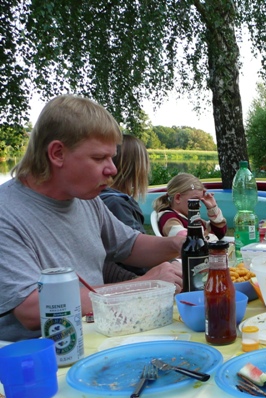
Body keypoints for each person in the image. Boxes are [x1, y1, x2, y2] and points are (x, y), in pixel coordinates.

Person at [0, 95, 184, 343]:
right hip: (43, 358)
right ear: (57, 153)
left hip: (100, 336)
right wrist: (143, 286)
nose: (113, 169)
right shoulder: (6, 212)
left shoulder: (86, 199)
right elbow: (31, 308)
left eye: (112, 157)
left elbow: (129, 245)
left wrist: (176, 244)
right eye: (99, 158)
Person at [100, 134, 150, 281]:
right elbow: (138, 259)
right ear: (137, 168)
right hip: (128, 284)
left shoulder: (99, 198)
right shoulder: (117, 204)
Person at [152, 173, 227, 239]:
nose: (200, 205)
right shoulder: (168, 218)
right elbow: (186, 238)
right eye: (194, 200)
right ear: (178, 198)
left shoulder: (189, 217)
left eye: (199, 201)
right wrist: (207, 238)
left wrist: (212, 208)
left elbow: (220, 233)